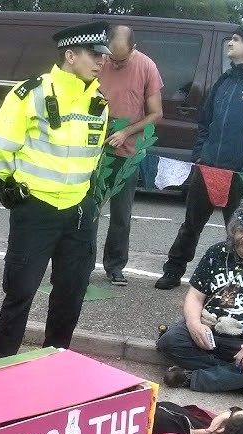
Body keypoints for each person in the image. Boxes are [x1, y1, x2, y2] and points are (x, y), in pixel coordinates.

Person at [0, 21, 110, 360]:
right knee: (20, 292)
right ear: (70, 55)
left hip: (79, 212)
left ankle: (55, 365)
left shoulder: (99, 102)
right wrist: (18, 186)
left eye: (103, 55)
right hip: (36, 209)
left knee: (71, 294)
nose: (101, 61)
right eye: (93, 54)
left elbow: (92, 157)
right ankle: (0, 367)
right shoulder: (30, 94)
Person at [154, 23, 243, 290]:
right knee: (190, 226)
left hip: (240, 175)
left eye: (236, 40)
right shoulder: (224, 81)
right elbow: (205, 123)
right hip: (208, 168)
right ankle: (173, 270)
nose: (230, 44)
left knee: (240, 231)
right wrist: (201, 155)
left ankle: (238, 280)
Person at [156, 196, 243, 393]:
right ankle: (238, 380)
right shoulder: (217, 253)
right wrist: (194, 324)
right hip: (209, 332)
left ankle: (193, 378)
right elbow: (195, 297)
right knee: (169, 341)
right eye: (241, 230)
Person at [94, 24, 163, 286]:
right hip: (96, 150)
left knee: (121, 215)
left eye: (121, 59)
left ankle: (114, 267)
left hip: (128, 151)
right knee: (89, 209)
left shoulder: (147, 66)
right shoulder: (100, 59)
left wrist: (126, 133)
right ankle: (82, 264)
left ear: (133, 48)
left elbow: (156, 113)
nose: (115, 63)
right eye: (112, 57)